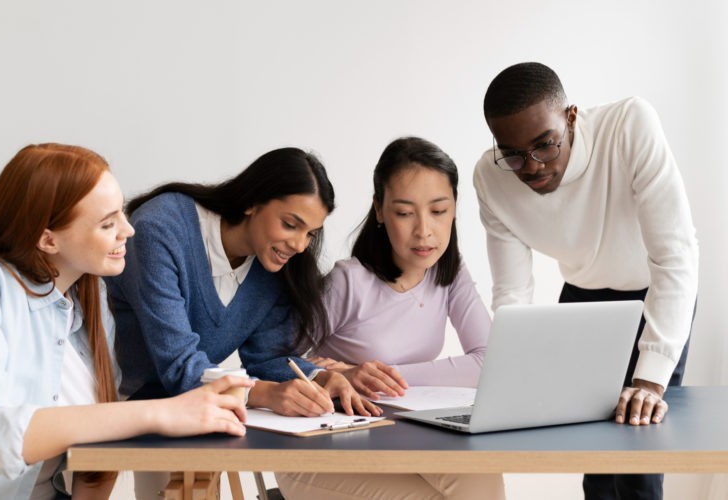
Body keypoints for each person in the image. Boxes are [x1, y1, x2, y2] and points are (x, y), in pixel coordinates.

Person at [0, 144, 253, 500]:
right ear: (47, 238)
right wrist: (162, 413)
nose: (128, 231)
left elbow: (98, 457)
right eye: (107, 223)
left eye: (121, 216)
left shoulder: (90, 296)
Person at [472, 62, 698, 499]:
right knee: (592, 455)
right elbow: (513, 294)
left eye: (545, 146)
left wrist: (650, 382)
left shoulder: (630, 125)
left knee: (638, 458)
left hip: (658, 289)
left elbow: (675, 255)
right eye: (513, 153)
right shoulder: (491, 177)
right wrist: (513, 381)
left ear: (571, 117)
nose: (532, 167)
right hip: (584, 295)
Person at [104, 147, 379, 497]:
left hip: (188, 411)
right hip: (112, 402)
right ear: (252, 201)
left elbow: (268, 357)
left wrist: (320, 378)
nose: (298, 244)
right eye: (290, 224)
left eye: (310, 233)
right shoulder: (161, 229)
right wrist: (267, 394)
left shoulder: (274, 265)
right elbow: (178, 364)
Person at [276, 137, 505, 499]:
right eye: (404, 212)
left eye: (439, 210)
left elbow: (490, 361)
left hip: (401, 433)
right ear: (379, 211)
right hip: (322, 447)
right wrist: (339, 375)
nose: (424, 230)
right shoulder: (350, 281)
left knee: (480, 475)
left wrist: (372, 381)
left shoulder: (449, 273)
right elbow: (274, 360)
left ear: (455, 209)